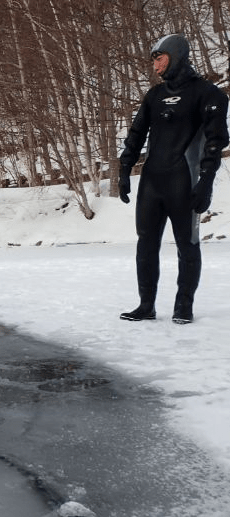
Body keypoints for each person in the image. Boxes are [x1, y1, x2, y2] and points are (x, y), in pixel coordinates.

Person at [118, 34, 229, 324]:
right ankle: (146, 305)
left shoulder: (208, 93)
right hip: (152, 182)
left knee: (187, 243)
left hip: (185, 179)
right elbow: (136, 133)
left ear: (176, 55)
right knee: (146, 243)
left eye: (159, 58)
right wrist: (124, 168)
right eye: (153, 60)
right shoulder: (154, 96)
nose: (155, 66)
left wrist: (205, 181)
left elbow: (216, 141)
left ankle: (183, 306)